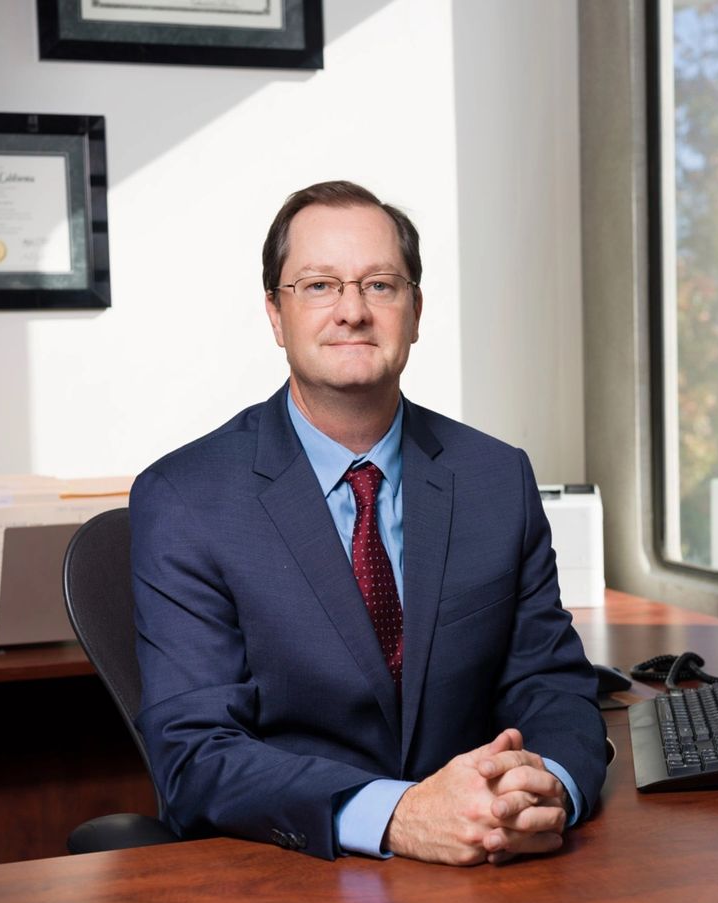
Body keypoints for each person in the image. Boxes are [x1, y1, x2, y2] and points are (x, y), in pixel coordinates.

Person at [130, 180, 607, 866]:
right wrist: (400, 815)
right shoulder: (185, 499)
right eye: (319, 285)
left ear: (416, 309)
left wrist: (547, 791)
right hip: (288, 878)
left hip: (487, 870)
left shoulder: (495, 478)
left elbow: (551, 684)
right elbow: (196, 755)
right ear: (275, 313)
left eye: (381, 285)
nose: (352, 311)